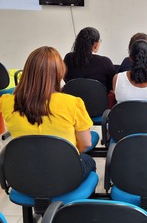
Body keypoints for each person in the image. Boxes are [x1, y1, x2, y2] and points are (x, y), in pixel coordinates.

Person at [0, 46, 97, 180]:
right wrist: (70, 154)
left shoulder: (6, 102)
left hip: (26, 172)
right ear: (59, 72)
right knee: (89, 161)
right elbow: (86, 144)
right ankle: (80, 200)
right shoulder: (72, 103)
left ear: (27, 72)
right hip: (65, 172)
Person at [64, 27, 116, 92]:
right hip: (98, 101)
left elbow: (65, 79)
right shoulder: (105, 62)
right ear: (96, 44)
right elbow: (113, 85)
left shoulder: (68, 58)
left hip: (72, 100)